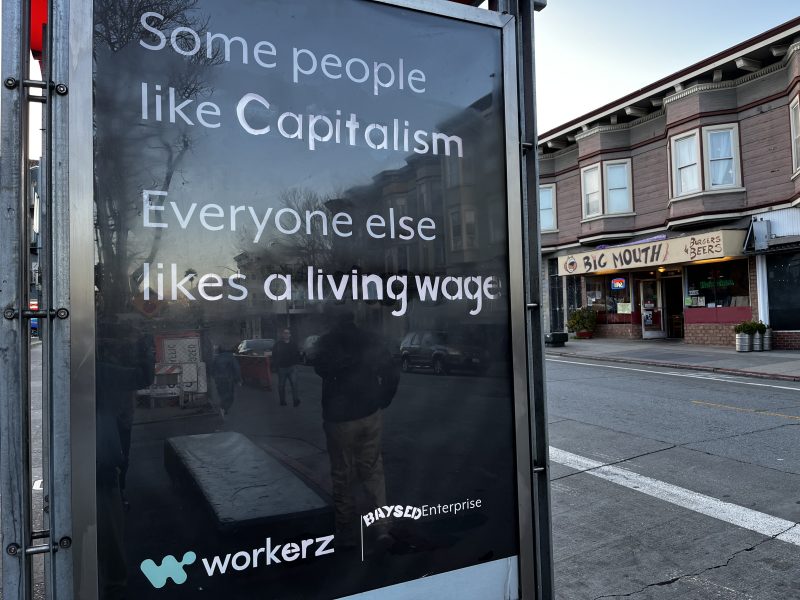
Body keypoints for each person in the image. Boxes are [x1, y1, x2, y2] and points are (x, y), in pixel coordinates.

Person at [314, 311, 397, 550]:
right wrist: (383, 399)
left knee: (342, 473)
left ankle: (347, 530)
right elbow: (391, 371)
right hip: (370, 412)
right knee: (372, 469)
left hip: (339, 419)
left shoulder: (327, 341)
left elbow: (321, 368)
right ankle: (381, 528)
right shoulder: (370, 339)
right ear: (354, 319)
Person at [272, 327, 301, 407]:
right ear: (282, 334)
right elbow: (274, 355)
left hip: (292, 367)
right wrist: (276, 366)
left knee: (294, 384)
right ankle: (282, 401)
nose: (286, 334)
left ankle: (295, 400)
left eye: (287, 333)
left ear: (290, 335)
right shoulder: (278, 344)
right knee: (281, 385)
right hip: (281, 368)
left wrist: (296, 363)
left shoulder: (293, 344)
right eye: (284, 333)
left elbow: (297, 353)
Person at [211, 341, 242, 417]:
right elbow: (237, 369)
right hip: (228, 379)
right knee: (230, 396)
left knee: (222, 394)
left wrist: (214, 377)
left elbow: (212, 369)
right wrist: (238, 379)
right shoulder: (231, 357)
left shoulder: (216, 358)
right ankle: (223, 408)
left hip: (218, 379)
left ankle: (223, 409)